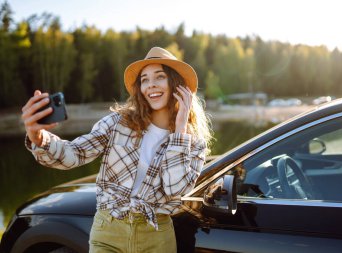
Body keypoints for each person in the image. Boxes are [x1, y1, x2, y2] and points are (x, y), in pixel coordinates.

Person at [21, 47, 212, 253]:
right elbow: (75, 154)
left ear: (177, 85)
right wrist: (39, 138)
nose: (151, 85)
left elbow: (175, 190)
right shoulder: (118, 123)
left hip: (157, 237)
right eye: (144, 79)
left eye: (160, 76)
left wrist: (180, 132)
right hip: (108, 232)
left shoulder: (193, 143)